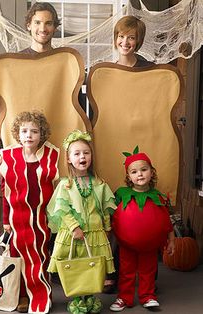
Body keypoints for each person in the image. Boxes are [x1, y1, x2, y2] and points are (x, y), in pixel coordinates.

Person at [103, 15, 154, 294]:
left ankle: (145, 272)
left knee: (139, 211)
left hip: (141, 143)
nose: (125, 42)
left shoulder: (149, 71)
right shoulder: (105, 71)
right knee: (114, 211)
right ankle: (113, 270)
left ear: (138, 41)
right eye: (121, 36)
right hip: (112, 142)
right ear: (115, 38)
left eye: (131, 37)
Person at [46, 130, 116, 314]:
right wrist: (74, 227)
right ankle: (78, 299)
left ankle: (91, 298)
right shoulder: (66, 185)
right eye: (76, 153)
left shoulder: (99, 183)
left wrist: (107, 227)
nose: (82, 156)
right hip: (74, 234)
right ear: (69, 159)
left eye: (86, 152)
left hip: (95, 233)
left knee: (93, 267)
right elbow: (62, 209)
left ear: (91, 156)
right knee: (77, 266)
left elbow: (104, 208)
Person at [0, 111, 59, 313]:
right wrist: (6, 219)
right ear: (18, 133)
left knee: (41, 256)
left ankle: (42, 293)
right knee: (18, 257)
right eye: (24, 131)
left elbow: (55, 189)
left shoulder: (50, 158)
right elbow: (5, 192)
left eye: (34, 131)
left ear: (41, 134)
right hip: (17, 219)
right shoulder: (10, 158)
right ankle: (22, 295)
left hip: (40, 219)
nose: (29, 135)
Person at [0, 2, 60, 174]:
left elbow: (76, 107)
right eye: (37, 22)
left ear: (55, 27)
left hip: (56, 149)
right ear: (29, 25)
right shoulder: (16, 63)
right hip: (19, 150)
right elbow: (2, 108)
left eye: (48, 23)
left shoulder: (64, 64)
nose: (43, 28)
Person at [110, 147, 175, 312]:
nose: (139, 174)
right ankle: (124, 297)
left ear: (152, 172)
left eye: (144, 170)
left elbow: (166, 221)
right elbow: (111, 218)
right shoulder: (121, 195)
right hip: (126, 245)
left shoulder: (158, 197)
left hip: (150, 246)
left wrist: (172, 240)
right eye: (134, 171)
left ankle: (148, 296)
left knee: (149, 270)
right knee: (126, 271)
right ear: (128, 176)